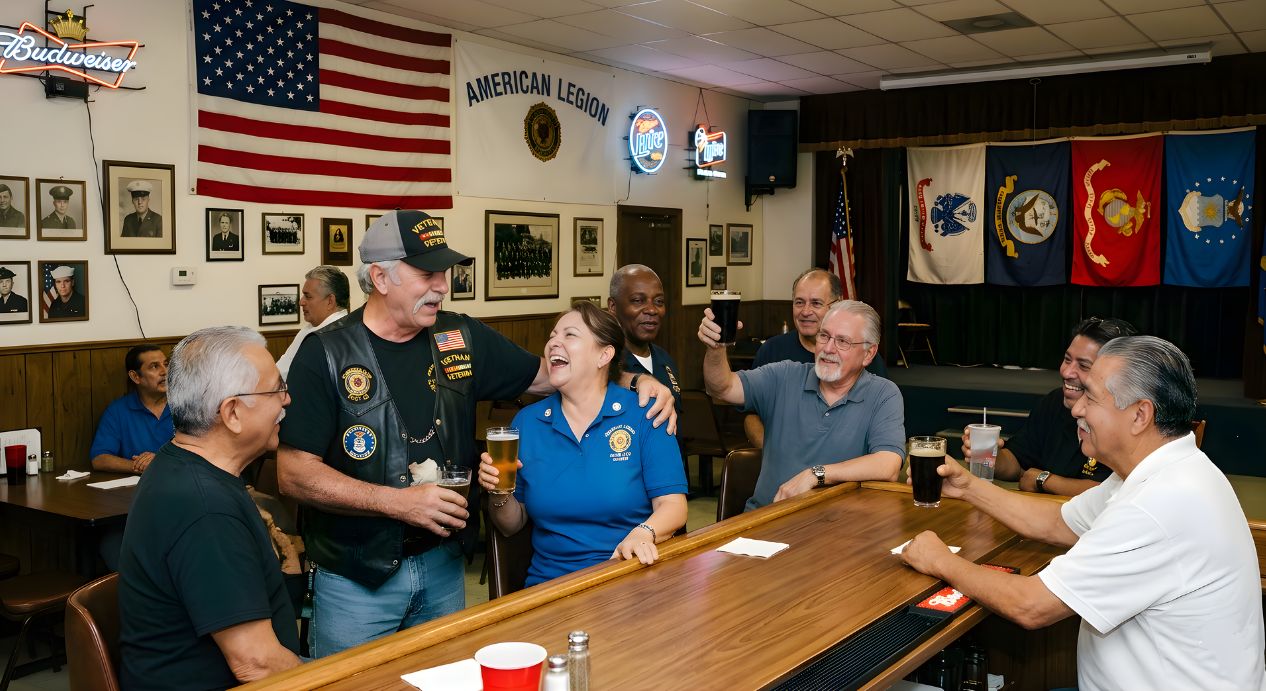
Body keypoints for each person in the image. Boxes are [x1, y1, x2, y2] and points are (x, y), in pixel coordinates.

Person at [276, 210, 677, 657]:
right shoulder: (325, 353)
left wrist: (637, 380)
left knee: (445, 678)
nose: (442, 285)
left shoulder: (461, 335)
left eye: (444, 272)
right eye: (427, 274)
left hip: (443, 565)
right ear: (380, 278)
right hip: (356, 577)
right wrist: (397, 502)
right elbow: (293, 474)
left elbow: (557, 373)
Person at [901, 336, 1264, 691]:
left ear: (1140, 415)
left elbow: (1031, 606)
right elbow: (1057, 522)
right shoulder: (1165, 470)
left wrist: (940, 561)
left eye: (1091, 397)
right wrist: (968, 487)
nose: (1076, 410)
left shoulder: (1158, 504)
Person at [118, 326, 302, 690]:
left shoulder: (177, 461)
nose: (286, 400)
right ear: (232, 412)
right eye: (276, 389)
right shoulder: (206, 509)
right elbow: (256, 663)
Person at [480, 302, 688, 587]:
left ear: (604, 355)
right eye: (552, 336)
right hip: (550, 584)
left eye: (570, 335)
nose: (553, 343)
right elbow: (511, 525)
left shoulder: (646, 413)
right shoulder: (527, 422)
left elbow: (674, 505)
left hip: (629, 576)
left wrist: (644, 533)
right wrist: (498, 493)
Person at [700, 300, 905, 511]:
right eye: (824, 336)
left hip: (838, 525)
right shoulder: (783, 375)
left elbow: (888, 465)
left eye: (842, 341)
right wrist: (715, 348)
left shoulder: (883, 394)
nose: (828, 348)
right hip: (767, 519)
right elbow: (722, 388)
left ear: (868, 354)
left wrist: (816, 474)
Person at [960, 318, 1136, 497]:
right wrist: (988, 455)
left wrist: (1043, 480)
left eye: (1083, 366)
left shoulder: (1128, 421)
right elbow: (1019, 463)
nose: (1066, 372)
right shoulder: (1055, 402)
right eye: (1067, 359)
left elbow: (1115, 494)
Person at [746, 268, 888, 448]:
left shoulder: (861, 354)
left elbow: (881, 418)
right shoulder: (771, 350)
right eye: (799, 302)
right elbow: (752, 414)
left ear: (837, 304)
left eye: (816, 303)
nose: (805, 311)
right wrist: (773, 452)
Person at [88, 345, 173, 570]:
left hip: (180, 498)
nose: (165, 371)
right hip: (131, 506)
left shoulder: (186, 406)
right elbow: (100, 458)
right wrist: (141, 466)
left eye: (166, 364)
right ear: (135, 377)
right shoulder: (118, 410)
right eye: (154, 366)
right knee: (111, 544)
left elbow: (207, 452)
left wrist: (161, 461)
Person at [608, 264, 683, 432]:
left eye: (659, 301)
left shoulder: (665, 360)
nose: (651, 310)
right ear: (613, 307)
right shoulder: (605, 362)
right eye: (638, 301)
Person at [276, 266, 350, 380]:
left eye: (308, 297)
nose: (301, 302)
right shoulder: (313, 326)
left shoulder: (336, 337)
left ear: (330, 302)